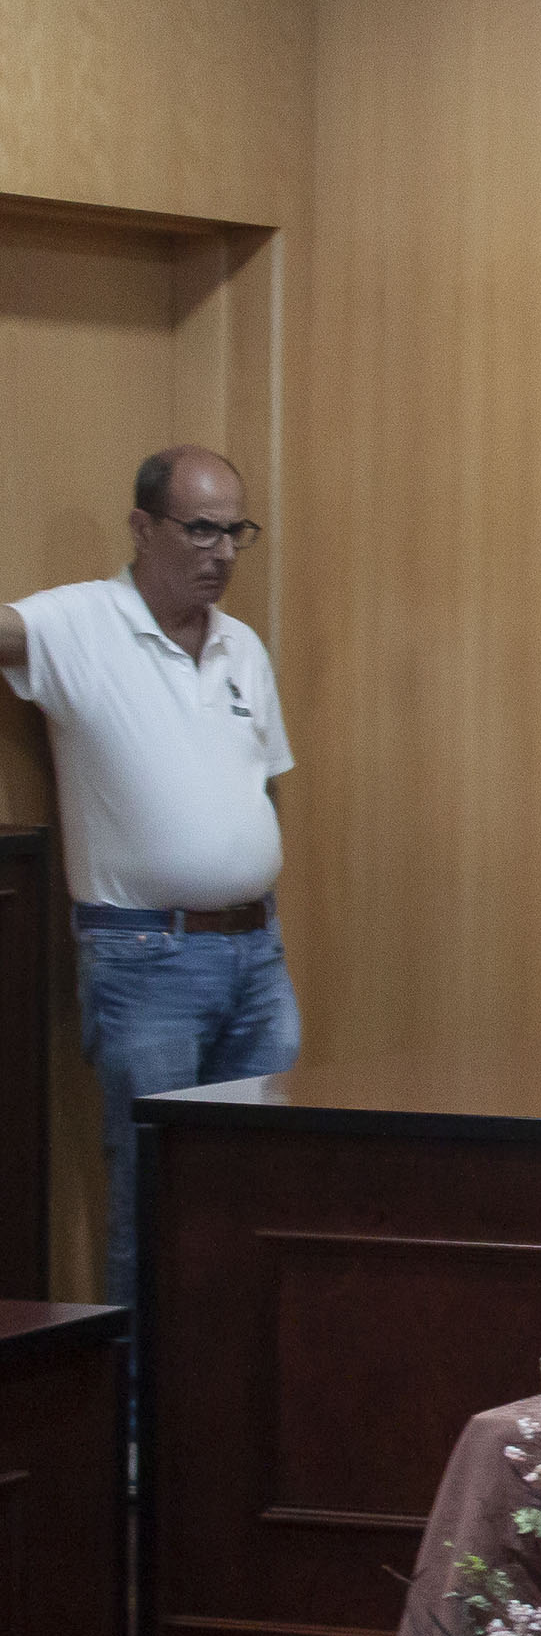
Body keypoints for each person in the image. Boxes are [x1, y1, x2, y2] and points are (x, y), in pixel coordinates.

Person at [3, 447, 299, 1309]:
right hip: (145, 961)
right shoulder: (83, 624)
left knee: (255, 1190)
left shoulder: (243, 646)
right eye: (200, 529)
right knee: (155, 1191)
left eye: (236, 531)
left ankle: (231, 1384)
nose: (223, 552)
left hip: (256, 957)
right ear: (142, 528)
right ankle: (142, 1397)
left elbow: (263, 786)